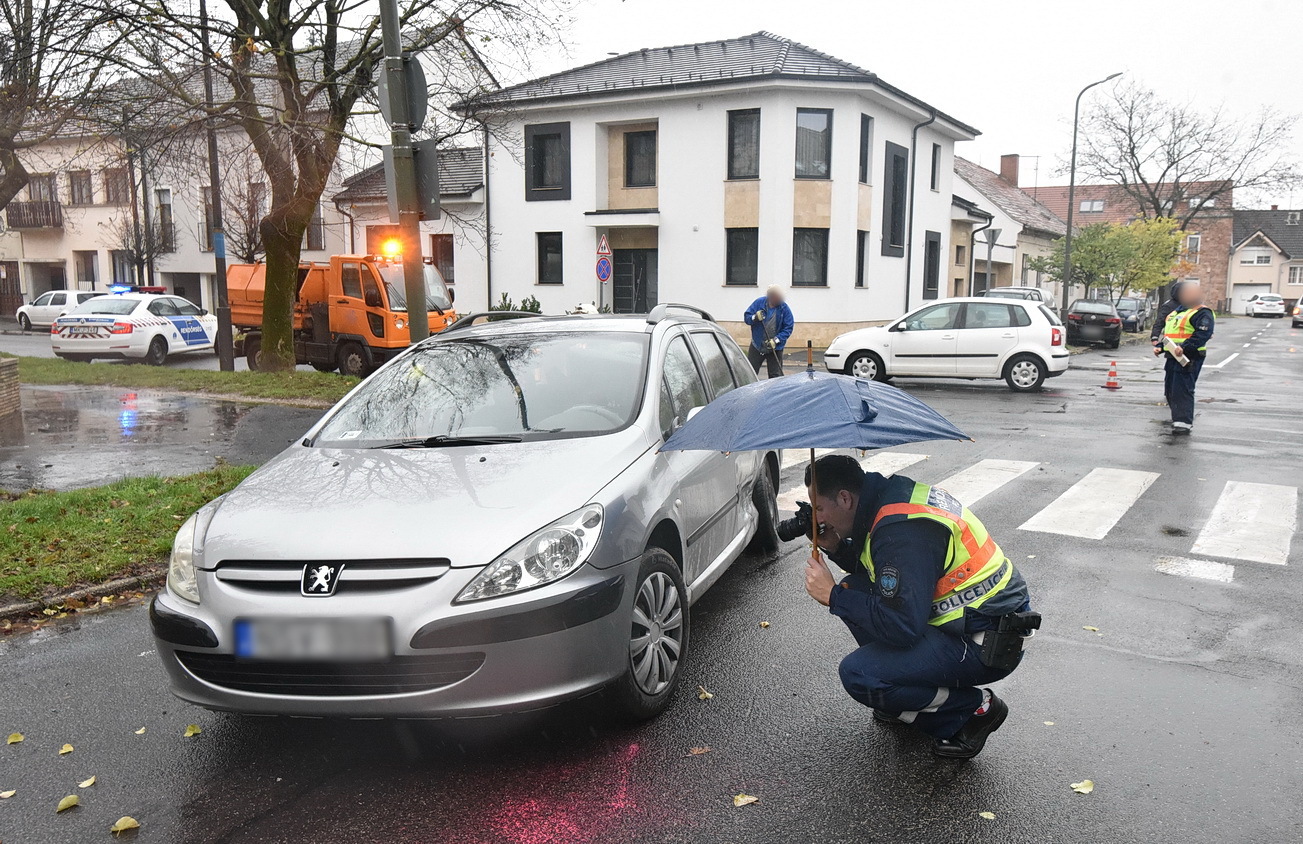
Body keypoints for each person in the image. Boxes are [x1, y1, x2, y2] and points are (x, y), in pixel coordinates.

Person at [798, 454, 1036, 759]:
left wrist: (833, 596)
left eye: (819, 508)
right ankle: (903, 694)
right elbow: (883, 571)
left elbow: (901, 627)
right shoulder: (888, 498)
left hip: (987, 643)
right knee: (854, 589)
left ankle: (974, 711)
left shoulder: (901, 532)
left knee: (859, 674)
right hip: (976, 624)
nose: (818, 519)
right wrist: (834, 547)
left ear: (845, 498)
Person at [1152, 280, 1215, 436]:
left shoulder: (1202, 312)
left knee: (1183, 389)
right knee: (1171, 390)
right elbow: (1170, 334)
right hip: (1173, 355)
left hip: (1190, 356)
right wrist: (1161, 346)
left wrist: (1185, 347)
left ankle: (1183, 423)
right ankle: (1178, 419)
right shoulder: (1175, 312)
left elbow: (1203, 333)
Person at [743, 286, 794, 378]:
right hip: (757, 345)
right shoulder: (759, 303)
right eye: (777, 297)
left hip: (775, 348)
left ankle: (775, 392)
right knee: (751, 373)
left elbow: (788, 328)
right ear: (771, 296)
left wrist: (776, 340)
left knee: (775, 376)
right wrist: (754, 317)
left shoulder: (784, 308)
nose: (780, 299)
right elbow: (747, 318)